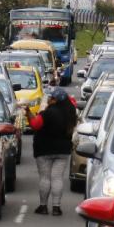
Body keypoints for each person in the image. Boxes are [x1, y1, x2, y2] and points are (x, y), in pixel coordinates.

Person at [29, 88, 76, 216]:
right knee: (57, 178)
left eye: (51, 98)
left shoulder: (48, 113)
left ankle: (43, 206)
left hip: (44, 150)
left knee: (45, 178)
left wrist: (28, 113)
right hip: (63, 150)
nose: (49, 99)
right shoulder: (71, 113)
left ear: (55, 100)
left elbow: (35, 125)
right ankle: (56, 207)